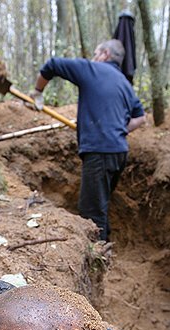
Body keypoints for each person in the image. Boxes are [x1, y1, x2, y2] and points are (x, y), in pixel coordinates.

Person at [31, 39, 146, 242]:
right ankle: (105, 241)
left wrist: (38, 92)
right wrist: (118, 130)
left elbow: (52, 65)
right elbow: (141, 117)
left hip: (99, 151)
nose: (93, 57)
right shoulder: (124, 84)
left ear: (105, 54)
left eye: (95, 53)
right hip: (119, 153)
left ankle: (98, 255)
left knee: (91, 212)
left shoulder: (93, 69)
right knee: (100, 202)